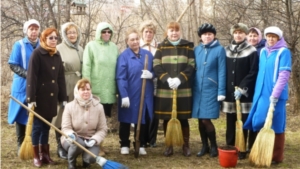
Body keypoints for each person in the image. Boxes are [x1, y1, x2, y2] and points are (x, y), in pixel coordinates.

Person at [244, 26, 291, 164]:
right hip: (261, 93)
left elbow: (284, 75)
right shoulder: (263, 51)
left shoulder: (284, 52)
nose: (270, 39)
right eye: (268, 36)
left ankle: (276, 156)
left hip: (276, 93)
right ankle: (261, 151)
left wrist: (275, 93)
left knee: (276, 124)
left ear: (278, 38)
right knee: (258, 120)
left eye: (273, 36)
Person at [26, 27, 67, 167]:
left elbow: (60, 77)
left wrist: (63, 98)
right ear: (44, 39)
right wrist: (31, 99)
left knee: (46, 128)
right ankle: (36, 156)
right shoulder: (37, 54)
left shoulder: (57, 54)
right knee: (37, 128)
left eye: (56, 38)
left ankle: (45, 155)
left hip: (51, 98)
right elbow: (31, 78)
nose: (54, 40)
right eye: (51, 38)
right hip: (39, 98)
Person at [153, 21, 195, 157]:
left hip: (183, 89)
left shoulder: (188, 47)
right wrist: (167, 79)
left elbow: (191, 65)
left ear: (180, 32)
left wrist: (180, 79)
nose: (174, 33)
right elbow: (156, 65)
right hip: (165, 89)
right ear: (167, 32)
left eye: (176, 30)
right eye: (171, 30)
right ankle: (168, 145)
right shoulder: (161, 47)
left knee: (183, 118)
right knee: (166, 117)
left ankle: (186, 146)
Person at [222, 23, 258, 159]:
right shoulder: (226, 50)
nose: (238, 35)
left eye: (241, 33)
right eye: (236, 32)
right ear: (233, 34)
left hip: (245, 93)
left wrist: (243, 88)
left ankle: (242, 149)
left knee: (243, 121)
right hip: (230, 92)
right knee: (230, 121)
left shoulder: (251, 50)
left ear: (245, 35)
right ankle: (230, 146)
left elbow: (253, 71)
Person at [116, 28, 154, 155]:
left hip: (145, 92)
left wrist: (151, 75)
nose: (135, 42)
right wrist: (124, 95)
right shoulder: (123, 56)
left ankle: (141, 143)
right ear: (127, 41)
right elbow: (121, 77)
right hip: (130, 92)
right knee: (126, 117)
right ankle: (125, 143)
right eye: (132, 39)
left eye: (137, 39)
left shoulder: (147, 55)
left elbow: (156, 70)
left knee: (143, 117)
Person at [82, 22, 118, 156]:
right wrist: (87, 88)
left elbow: (118, 68)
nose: (107, 34)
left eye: (109, 31)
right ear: (98, 33)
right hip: (96, 89)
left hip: (109, 90)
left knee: (104, 120)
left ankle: (101, 144)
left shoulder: (114, 47)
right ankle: (95, 147)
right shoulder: (91, 46)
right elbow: (86, 67)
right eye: (104, 32)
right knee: (94, 120)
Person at [192, 23, 226, 158]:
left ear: (214, 35)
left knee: (206, 119)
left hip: (211, 89)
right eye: (205, 34)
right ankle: (204, 145)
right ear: (201, 36)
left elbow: (222, 71)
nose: (207, 36)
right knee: (200, 119)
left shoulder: (220, 50)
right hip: (197, 89)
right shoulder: (197, 50)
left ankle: (213, 146)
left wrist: (221, 91)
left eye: (210, 34)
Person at [7, 19, 40, 155]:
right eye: (31, 29)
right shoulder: (19, 45)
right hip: (21, 85)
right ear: (26, 31)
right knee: (21, 113)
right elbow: (13, 64)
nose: (33, 31)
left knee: (36, 114)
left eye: (36, 29)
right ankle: (21, 143)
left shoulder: (42, 45)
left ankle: (33, 143)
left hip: (38, 86)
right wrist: (29, 75)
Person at [51, 22, 83, 160]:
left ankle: (74, 144)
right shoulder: (58, 49)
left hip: (78, 85)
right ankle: (60, 145)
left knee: (76, 116)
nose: (72, 35)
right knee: (61, 115)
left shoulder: (81, 49)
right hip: (64, 84)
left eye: (74, 32)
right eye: (69, 32)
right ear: (64, 34)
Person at [61, 78, 108, 169]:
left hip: (90, 138)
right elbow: (65, 127)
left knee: (91, 157)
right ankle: (71, 161)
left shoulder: (99, 107)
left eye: (88, 89)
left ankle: (86, 160)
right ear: (77, 91)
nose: (86, 92)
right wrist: (71, 135)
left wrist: (94, 139)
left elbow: (102, 129)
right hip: (73, 139)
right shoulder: (69, 106)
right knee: (79, 144)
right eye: (83, 90)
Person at [139, 20, 159, 147]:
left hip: (156, 82)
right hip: (141, 83)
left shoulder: (158, 47)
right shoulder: (137, 46)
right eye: (146, 32)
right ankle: (142, 139)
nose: (148, 34)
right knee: (143, 111)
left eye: (151, 32)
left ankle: (152, 139)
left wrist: (154, 74)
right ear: (142, 33)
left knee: (154, 111)